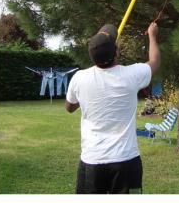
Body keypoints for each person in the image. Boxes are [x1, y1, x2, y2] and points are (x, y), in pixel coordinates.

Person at [65, 22, 160, 194]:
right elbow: (154, 62)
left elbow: (69, 107)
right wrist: (152, 35)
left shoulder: (79, 78)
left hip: (92, 161)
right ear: (116, 52)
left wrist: (87, 95)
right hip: (126, 161)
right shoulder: (132, 75)